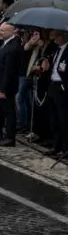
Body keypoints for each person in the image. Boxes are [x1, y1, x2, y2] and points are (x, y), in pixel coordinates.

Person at [0, 21, 24, 147]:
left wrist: (3, 89)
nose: (0, 33)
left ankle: (10, 137)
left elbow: (9, 71)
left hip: (5, 86)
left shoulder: (13, 47)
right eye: (0, 30)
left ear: (11, 32)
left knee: (8, 112)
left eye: (3, 31)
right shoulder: (4, 44)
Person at [41, 30, 68, 158]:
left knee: (62, 119)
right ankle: (56, 146)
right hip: (52, 84)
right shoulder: (56, 50)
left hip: (61, 87)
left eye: (56, 36)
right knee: (53, 118)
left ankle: (64, 148)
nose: (54, 39)